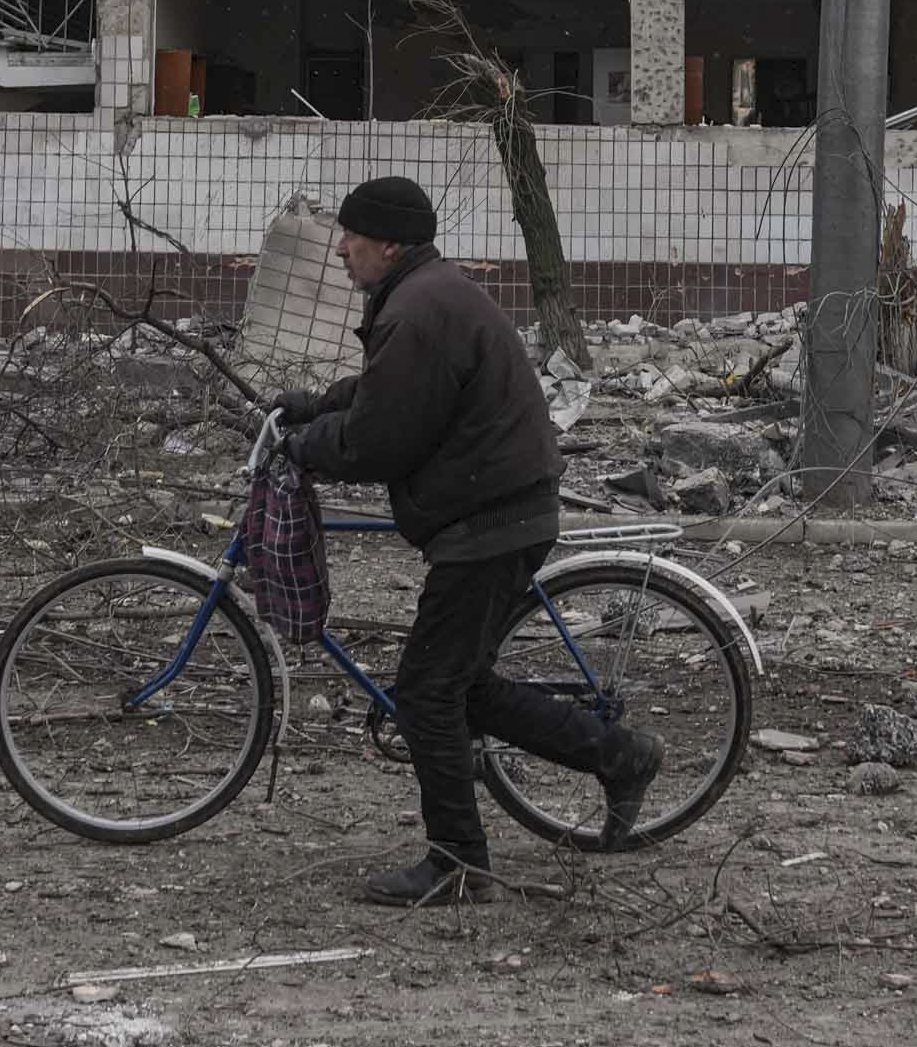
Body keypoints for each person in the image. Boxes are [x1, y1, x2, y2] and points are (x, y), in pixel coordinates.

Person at [275, 175, 660, 905]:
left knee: (426, 691)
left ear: (389, 244)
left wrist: (307, 445)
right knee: (460, 682)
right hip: (498, 506)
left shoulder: (417, 310)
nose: (341, 248)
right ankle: (618, 755)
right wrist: (314, 406)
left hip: (490, 518)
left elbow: (378, 439)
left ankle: (457, 861)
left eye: (352, 235)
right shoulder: (424, 296)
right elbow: (389, 391)